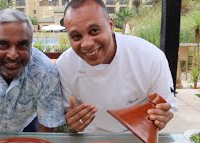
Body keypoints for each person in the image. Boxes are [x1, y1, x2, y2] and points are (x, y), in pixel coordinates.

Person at [56, 0, 178, 133]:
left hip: (136, 140)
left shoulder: (150, 57)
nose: (86, 44)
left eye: (94, 31)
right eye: (76, 36)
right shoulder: (65, 65)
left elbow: (165, 107)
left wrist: (161, 116)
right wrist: (71, 123)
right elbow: (67, 114)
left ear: (110, 25)